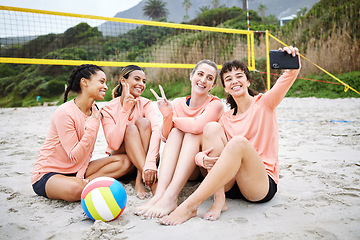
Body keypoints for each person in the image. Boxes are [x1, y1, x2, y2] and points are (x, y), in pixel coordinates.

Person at [159, 46, 301, 225]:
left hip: (259, 185)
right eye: (228, 79)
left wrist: (293, 61)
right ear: (225, 88)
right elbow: (206, 146)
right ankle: (220, 202)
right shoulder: (225, 118)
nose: (234, 81)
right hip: (229, 186)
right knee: (210, 128)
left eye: (239, 76)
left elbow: (288, 77)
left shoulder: (264, 103)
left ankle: (189, 206)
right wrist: (201, 158)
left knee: (238, 143)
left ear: (248, 82)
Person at [134, 59, 224, 218]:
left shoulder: (215, 104)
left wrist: (172, 118)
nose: (203, 80)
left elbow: (197, 126)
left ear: (213, 86)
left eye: (209, 78)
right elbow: (166, 136)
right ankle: (159, 195)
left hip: (205, 166)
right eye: (200, 74)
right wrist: (167, 114)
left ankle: (171, 197)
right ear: (191, 76)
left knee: (191, 133)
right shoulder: (178, 103)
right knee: (176, 133)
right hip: (185, 168)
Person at [31, 64, 124, 202]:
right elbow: (75, 156)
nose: (105, 87)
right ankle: (83, 184)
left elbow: (88, 154)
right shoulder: (65, 113)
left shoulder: (95, 111)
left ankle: (84, 182)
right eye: (101, 81)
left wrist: (125, 109)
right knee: (75, 189)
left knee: (123, 162)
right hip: (49, 174)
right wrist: (92, 125)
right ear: (84, 82)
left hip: (78, 169)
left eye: (106, 83)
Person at [101, 65, 161, 199]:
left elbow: (157, 130)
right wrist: (125, 111)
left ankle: (140, 181)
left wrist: (150, 163)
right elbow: (114, 145)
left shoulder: (146, 104)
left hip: (147, 164)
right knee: (131, 128)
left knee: (144, 122)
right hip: (122, 162)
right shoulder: (108, 109)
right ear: (123, 81)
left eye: (144, 81)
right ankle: (152, 183)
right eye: (137, 79)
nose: (141, 84)